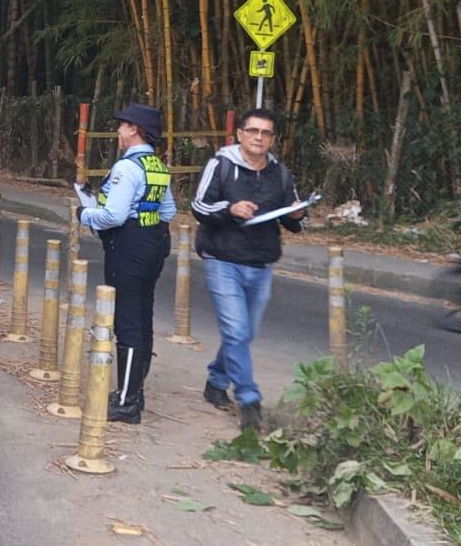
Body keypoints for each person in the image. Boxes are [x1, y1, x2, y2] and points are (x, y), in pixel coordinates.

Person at [190, 107, 306, 432]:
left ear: (273, 139)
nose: (259, 137)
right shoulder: (221, 165)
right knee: (237, 332)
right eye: (252, 131)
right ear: (240, 134)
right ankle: (249, 399)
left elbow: (295, 220)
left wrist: (297, 215)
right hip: (222, 259)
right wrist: (230, 209)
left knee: (243, 333)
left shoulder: (281, 174)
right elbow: (198, 206)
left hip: (261, 263)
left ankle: (216, 381)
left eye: (266, 133)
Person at [79, 103, 176, 424]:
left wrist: (84, 214)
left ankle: (126, 402)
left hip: (128, 246)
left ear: (134, 129)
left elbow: (113, 215)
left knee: (127, 322)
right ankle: (135, 392)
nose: (118, 132)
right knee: (142, 317)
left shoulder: (127, 167)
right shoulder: (157, 165)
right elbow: (168, 211)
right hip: (153, 243)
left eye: (121, 126)